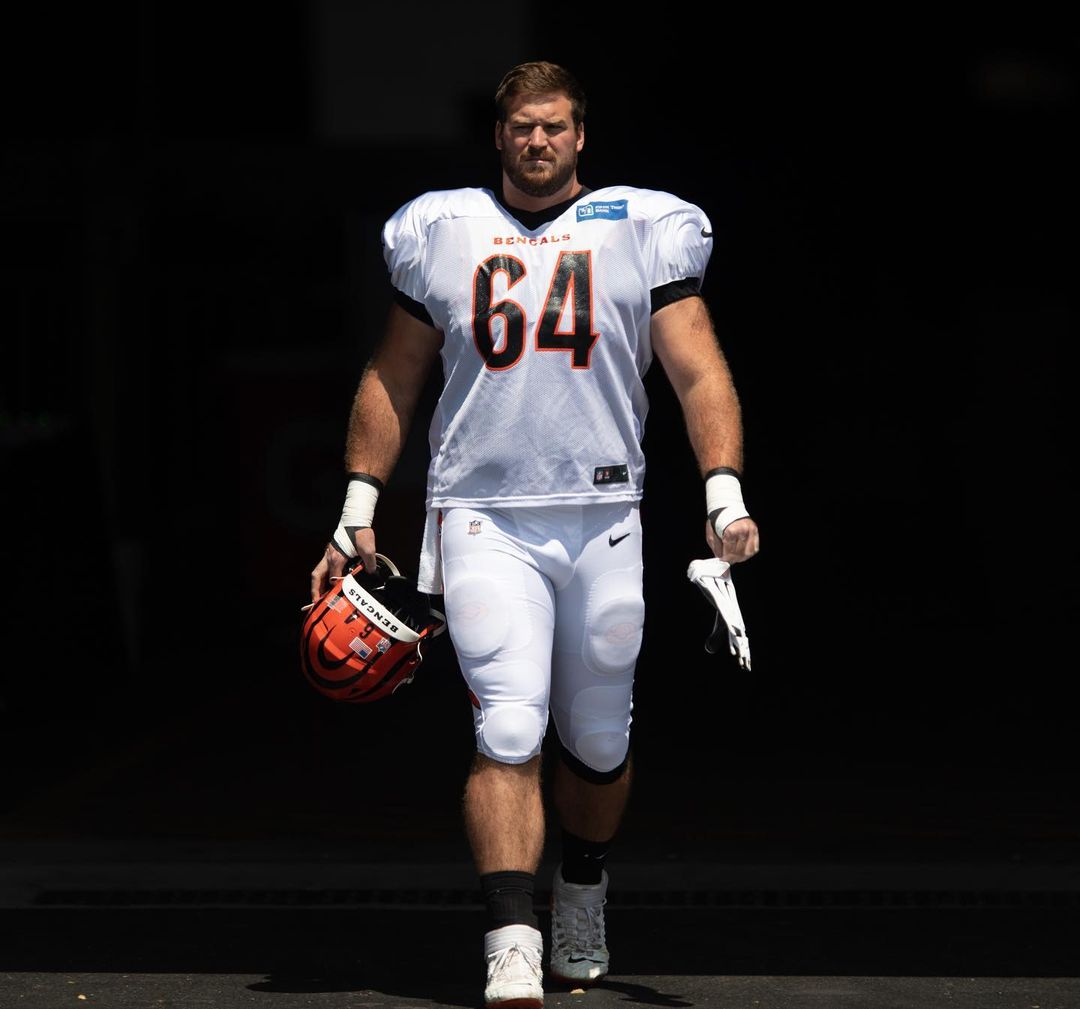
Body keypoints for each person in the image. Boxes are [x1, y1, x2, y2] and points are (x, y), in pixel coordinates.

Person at [310, 60, 760, 1009]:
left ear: (581, 134)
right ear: (499, 135)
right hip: (483, 513)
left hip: (604, 515)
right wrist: (357, 509)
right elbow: (394, 373)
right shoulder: (444, 228)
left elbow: (698, 369)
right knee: (508, 723)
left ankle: (582, 885)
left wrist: (723, 493)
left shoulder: (642, 224)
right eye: (522, 126)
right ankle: (511, 933)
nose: (538, 141)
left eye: (554, 125)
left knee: (596, 737)